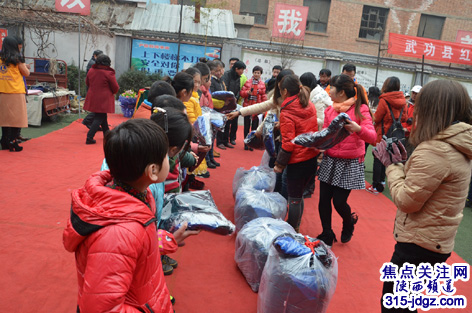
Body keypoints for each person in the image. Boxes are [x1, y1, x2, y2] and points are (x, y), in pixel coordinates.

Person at [63, 119, 200, 312]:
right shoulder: (117, 234)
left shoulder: (133, 199)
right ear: (152, 171)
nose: (170, 161)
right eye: (166, 157)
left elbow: (138, 244)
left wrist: (169, 239)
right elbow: (102, 308)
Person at [373, 80, 472, 313]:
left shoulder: (437, 149)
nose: (414, 109)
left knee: (395, 305)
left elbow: (407, 200)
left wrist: (393, 166)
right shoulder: (457, 143)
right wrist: (407, 165)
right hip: (435, 239)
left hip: (419, 242)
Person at [317, 74, 377, 247]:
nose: (329, 92)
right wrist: (318, 144)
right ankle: (327, 233)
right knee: (323, 201)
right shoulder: (330, 110)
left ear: (341, 92)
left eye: (332, 88)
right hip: (330, 160)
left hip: (349, 163)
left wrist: (358, 129)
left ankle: (348, 222)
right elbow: (327, 135)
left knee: (339, 201)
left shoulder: (361, 110)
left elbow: (372, 137)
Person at [273, 74, 319, 232]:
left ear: (285, 91)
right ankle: (296, 227)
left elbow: (288, 143)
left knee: (293, 199)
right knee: (299, 197)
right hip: (311, 158)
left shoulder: (287, 111)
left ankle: (291, 231)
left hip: (297, 161)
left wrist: (279, 164)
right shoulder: (308, 104)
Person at [368, 77, 407, 194]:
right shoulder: (403, 101)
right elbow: (404, 118)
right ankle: (383, 181)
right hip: (395, 133)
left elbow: (377, 117)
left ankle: (375, 186)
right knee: (389, 156)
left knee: (378, 157)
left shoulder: (384, 100)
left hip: (383, 132)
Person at [0, 36, 30, 152]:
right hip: (16, 92)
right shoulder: (17, 59)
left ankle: (5, 141)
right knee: (17, 119)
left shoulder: (1, 58)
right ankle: (13, 141)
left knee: (5, 119)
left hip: (3, 91)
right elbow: (26, 73)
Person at [83, 54, 119, 144]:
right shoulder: (108, 73)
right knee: (99, 117)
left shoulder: (91, 70)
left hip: (93, 97)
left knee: (102, 116)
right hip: (104, 99)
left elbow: (87, 83)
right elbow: (115, 87)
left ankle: (107, 135)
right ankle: (89, 137)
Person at [240, 65, 267, 150]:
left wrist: (264, 108)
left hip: (257, 108)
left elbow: (264, 97)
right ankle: (245, 143)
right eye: (255, 72)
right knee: (246, 126)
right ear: (253, 73)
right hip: (247, 107)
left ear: (260, 74)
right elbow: (242, 93)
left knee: (254, 127)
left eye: (258, 73)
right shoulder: (248, 82)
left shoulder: (262, 84)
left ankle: (251, 143)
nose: (256, 74)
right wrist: (247, 93)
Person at [221, 60, 246, 148]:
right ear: (236, 69)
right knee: (225, 122)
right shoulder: (227, 75)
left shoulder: (238, 77)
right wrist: (231, 97)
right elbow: (225, 88)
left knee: (232, 122)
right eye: (241, 70)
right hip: (226, 102)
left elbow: (239, 89)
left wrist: (236, 97)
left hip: (234, 102)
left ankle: (230, 139)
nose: (242, 72)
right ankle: (222, 141)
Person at [82, 49, 103, 129]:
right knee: (99, 109)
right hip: (94, 89)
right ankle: (87, 120)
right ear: (95, 56)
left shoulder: (94, 63)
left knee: (99, 108)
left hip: (94, 88)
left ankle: (96, 125)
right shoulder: (93, 64)